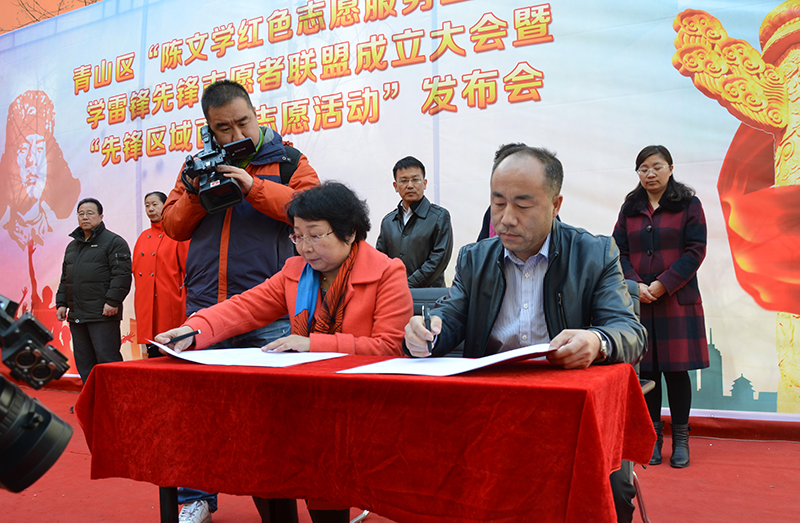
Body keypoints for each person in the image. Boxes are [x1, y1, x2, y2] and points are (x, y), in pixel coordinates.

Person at [403, 144, 647, 523]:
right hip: (491, 409)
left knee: (607, 491)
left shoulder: (595, 253)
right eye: (498, 202)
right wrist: (425, 332)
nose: (506, 219)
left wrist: (596, 341)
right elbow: (449, 317)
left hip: (568, 413)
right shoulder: (474, 258)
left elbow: (629, 331)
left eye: (522, 205)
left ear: (555, 204)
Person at [157, 181, 413, 523]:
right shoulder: (295, 272)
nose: (305, 247)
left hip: (358, 403)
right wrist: (192, 330)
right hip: (306, 398)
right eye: (298, 236)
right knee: (260, 444)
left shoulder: (386, 272)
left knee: (318, 450)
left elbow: (389, 347)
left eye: (315, 235)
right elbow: (244, 307)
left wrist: (313, 344)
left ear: (350, 233)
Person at [160, 79, 320, 523]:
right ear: (209, 126)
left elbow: (311, 209)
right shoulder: (196, 164)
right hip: (204, 307)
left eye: (242, 122)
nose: (235, 134)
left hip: (268, 310)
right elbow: (173, 225)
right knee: (199, 412)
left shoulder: (287, 160)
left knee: (271, 416)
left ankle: (278, 498)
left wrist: (252, 187)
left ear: (255, 112)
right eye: (223, 128)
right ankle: (195, 498)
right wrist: (197, 193)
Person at [612, 145, 709, 469]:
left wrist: (664, 283)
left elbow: (695, 250)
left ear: (670, 168)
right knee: (648, 372)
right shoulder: (630, 207)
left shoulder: (688, 204)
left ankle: (681, 439)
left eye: (656, 166)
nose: (650, 174)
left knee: (677, 372)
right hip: (641, 301)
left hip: (676, 299)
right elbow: (618, 251)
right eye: (643, 168)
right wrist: (634, 284)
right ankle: (653, 439)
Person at [55, 198, 132, 382]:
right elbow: (66, 278)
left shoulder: (114, 242)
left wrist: (112, 301)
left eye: (90, 213)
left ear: (101, 216)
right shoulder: (72, 246)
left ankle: (114, 398)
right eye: (81, 214)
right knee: (84, 362)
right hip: (77, 315)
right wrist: (61, 303)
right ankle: (91, 398)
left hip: (103, 314)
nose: (85, 217)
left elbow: (122, 276)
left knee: (107, 359)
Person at [0, 90, 81, 250]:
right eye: (24, 149)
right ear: (13, 159)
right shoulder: (4, 239)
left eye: (38, 149)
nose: (31, 161)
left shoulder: (63, 238)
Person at [375, 156, 453, 288]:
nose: (410, 185)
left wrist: (408, 285)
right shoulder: (388, 222)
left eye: (415, 179)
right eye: (404, 180)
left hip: (428, 295)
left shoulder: (439, 217)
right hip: (394, 293)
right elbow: (380, 259)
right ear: (395, 186)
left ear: (425, 183)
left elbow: (439, 259)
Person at [132, 191, 189, 358]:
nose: (150, 209)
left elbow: (189, 270)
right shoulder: (143, 237)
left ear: (165, 206)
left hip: (170, 300)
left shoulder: (177, 234)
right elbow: (136, 270)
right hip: (147, 301)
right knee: (152, 348)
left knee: (172, 347)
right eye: (147, 205)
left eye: (155, 204)